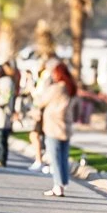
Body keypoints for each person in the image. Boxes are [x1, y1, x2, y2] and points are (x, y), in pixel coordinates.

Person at [35, 60, 77, 198]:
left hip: (54, 125)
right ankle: (62, 183)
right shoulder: (71, 88)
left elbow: (41, 100)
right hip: (66, 124)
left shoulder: (57, 88)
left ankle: (58, 185)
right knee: (63, 156)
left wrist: (46, 84)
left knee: (55, 157)